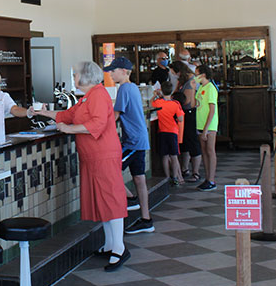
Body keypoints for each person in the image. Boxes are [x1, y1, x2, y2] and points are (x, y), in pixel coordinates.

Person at [33, 61, 130, 271]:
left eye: (75, 74)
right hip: (92, 156)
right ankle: (110, 244)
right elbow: (67, 115)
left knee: (110, 199)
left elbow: (97, 124)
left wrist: (68, 130)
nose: (74, 77)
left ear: (85, 77)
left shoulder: (98, 95)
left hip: (103, 154)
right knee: (101, 200)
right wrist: (42, 112)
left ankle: (120, 248)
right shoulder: (86, 97)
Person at [104, 57, 154, 235]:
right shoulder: (132, 87)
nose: (110, 73)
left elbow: (115, 115)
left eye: (113, 70)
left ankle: (131, 199)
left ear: (124, 71)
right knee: (139, 179)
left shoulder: (124, 88)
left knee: (110, 170)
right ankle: (146, 219)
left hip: (132, 141)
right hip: (140, 139)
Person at [172, 61, 202, 182]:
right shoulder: (182, 80)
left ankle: (196, 172)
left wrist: (175, 98)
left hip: (189, 113)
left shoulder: (191, 81)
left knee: (192, 141)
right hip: (182, 112)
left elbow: (187, 101)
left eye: (174, 72)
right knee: (183, 142)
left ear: (178, 71)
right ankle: (185, 169)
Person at [152, 81, 185, 186]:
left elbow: (150, 104)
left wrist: (155, 95)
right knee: (174, 156)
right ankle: (175, 177)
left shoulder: (158, 103)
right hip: (173, 132)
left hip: (162, 132)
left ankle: (166, 177)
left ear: (161, 90)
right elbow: (180, 118)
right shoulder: (175, 104)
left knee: (165, 156)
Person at [195, 64, 219, 191]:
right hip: (200, 123)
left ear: (203, 75)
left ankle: (212, 179)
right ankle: (207, 177)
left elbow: (212, 110)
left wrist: (206, 129)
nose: (195, 76)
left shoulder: (210, 88)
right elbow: (196, 104)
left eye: (197, 73)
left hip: (209, 125)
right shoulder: (200, 88)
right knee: (204, 152)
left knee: (210, 151)